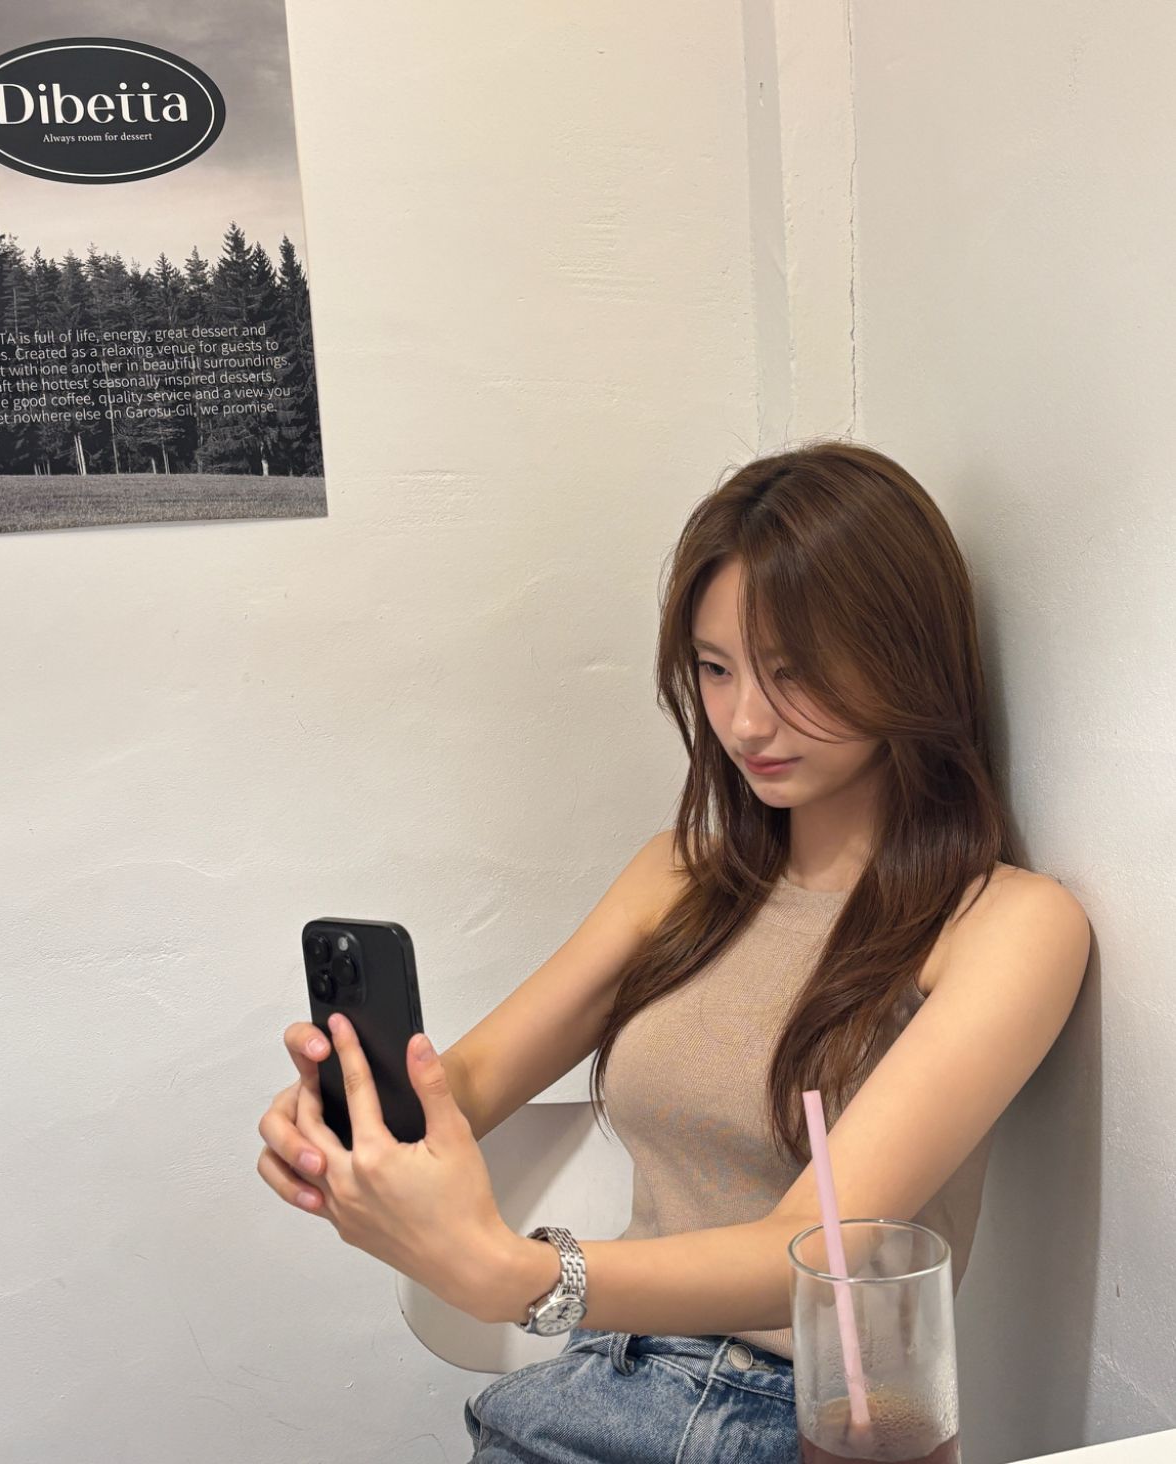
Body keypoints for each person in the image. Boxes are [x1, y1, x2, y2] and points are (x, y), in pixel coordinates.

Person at [257, 441, 1092, 1463]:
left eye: (798, 673)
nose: (745, 720)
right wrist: (356, 1119)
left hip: (793, 1418)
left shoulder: (1005, 924)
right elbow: (469, 1079)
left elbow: (812, 1249)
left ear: (905, 656)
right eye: (714, 668)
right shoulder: (680, 878)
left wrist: (528, 1276)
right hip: (588, 1385)